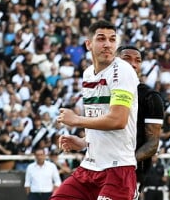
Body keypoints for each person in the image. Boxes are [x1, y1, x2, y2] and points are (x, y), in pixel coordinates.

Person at [52, 20, 140, 200]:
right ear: (88, 44)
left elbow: (118, 120)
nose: (107, 44)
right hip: (90, 166)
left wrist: (76, 119)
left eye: (112, 39)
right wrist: (84, 141)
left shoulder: (122, 71)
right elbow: (99, 116)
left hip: (118, 168)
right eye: (101, 39)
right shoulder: (87, 73)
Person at [117, 45, 165, 196]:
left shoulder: (150, 97)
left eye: (138, 60)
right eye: (127, 59)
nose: (133, 63)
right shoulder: (104, 91)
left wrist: (126, 163)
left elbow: (152, 144)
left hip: (130, 171)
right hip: (99, 167)